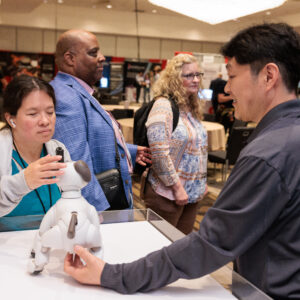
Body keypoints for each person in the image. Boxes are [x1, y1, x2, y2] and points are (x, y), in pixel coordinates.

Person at [63, 23, 300, 299]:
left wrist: (112, 275)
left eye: (232, 76)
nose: (228, 88)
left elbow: (209, 245)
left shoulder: (269, 154)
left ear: (269, 76)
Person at [51, 29, 151, 211]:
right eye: (93, 53)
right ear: (69, 59)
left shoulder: (78, 91)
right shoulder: (66, 97)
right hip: (98, 209)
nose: (102, 57)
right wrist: (97, 213)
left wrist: (128, 150)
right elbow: (76, 166)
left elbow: (91, 138)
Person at [141, 54, 207, 235]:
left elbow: (198, 147)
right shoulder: (163, 106)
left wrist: (201, 182)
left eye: (198, 74)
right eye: (188, 75)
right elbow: (159, 154)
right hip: (167, 194)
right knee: (159, 249)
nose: (195, 79)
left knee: (179, 249)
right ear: (175, 79)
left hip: (191, 194)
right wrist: (177, 188)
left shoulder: (191, 106)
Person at [0, 75, 70, 217]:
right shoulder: (3, 150)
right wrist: (24, 181)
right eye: (33, 114)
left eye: (50, 112)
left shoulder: (58, 150)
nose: (45, 121)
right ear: (11, 119)